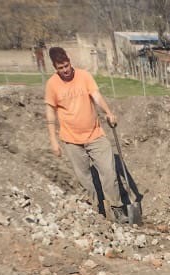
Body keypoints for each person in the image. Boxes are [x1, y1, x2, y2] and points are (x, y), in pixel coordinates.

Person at [44, 46, 126, 222]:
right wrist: (53, 140)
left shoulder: (84, 76)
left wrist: (108, 112)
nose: (65, 70)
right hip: (71, 139)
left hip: (95, 134)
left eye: (66, 65)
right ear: (55, 67)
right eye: (60, 68)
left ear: (69, 61)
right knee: (85, 179)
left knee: (109, 172)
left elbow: (96, 96)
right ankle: (97, 211)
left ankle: (116, 208)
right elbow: (50, 112)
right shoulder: (52, 85)